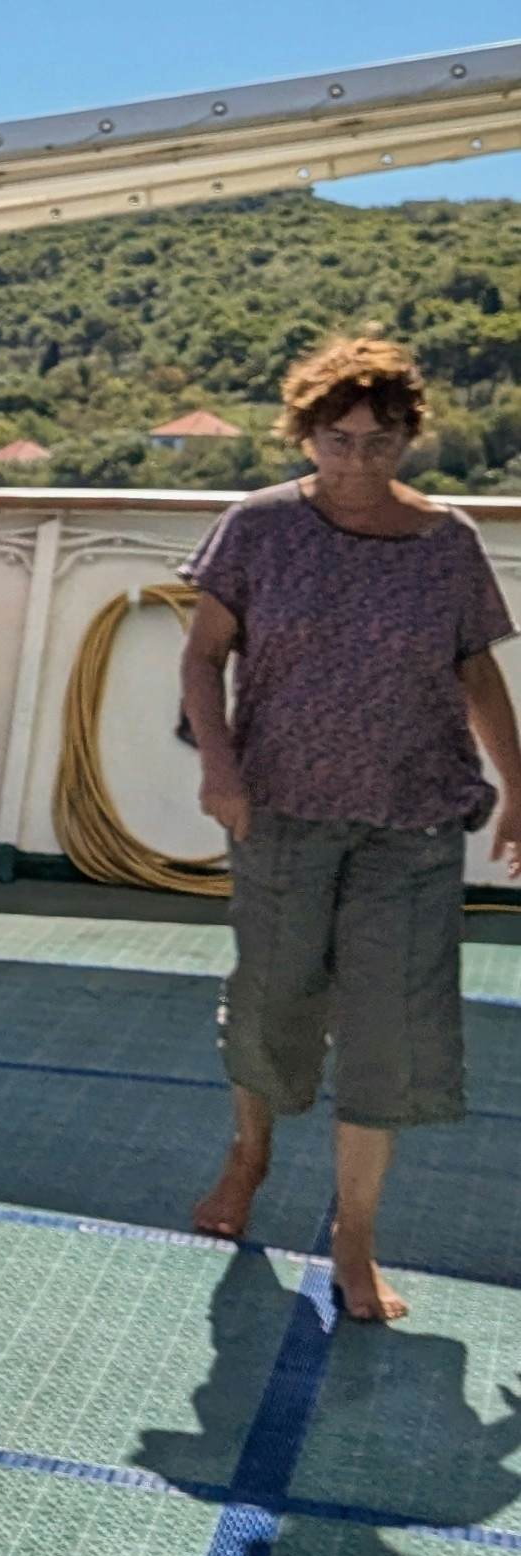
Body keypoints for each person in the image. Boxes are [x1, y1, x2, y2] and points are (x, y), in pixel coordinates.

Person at [177, 337, 521, 1323]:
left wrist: (515, 778)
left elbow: (474, 669)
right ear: (303, 434)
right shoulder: (255, 529)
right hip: (279, 808)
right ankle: (249, 1155)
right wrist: (217, 765)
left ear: (410, 438)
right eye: (338, 440)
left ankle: (353, 1242)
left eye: (380, 443)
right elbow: (202, 658)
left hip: (410, 820)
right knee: (271, 1010)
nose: (358, 461)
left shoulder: (446, 542)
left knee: (389, 1035)